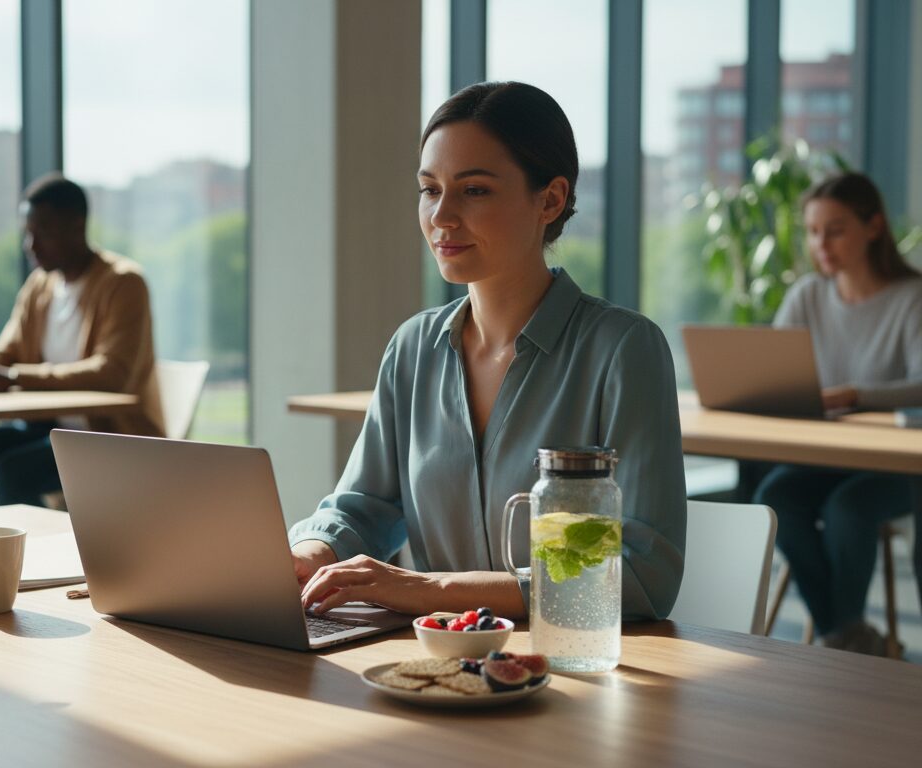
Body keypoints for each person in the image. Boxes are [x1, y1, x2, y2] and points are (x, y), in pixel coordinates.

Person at [292, 82, 687, 621]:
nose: (441, 216)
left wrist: (430, 590)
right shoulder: (412, 348)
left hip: (569, 659)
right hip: (433, 657)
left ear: (550, 200)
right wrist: (313, 553)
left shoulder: (623, 350)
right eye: (430, 189)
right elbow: (366, 505)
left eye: (474, 190)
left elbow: (640, 575)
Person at [752, 172, 922, 655]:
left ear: (874, 227)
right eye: (812, 232)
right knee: (775, 497)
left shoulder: (912, 297)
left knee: (848, 509)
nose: (820, 245)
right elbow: (774, 369)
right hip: (827, 457)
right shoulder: (807, 294)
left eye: (835, 230)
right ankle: (848, 635)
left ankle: (842, 636)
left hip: (897, 464)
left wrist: (855, 395)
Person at [0, 173, 164, 509]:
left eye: (42, 232)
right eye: (27, 233)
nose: (30, 246)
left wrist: (14, 377)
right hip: (49, 428)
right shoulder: (40, 286)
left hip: (110, 438)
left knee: (13, 473)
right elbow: (7, 351)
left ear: (77, 226)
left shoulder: (123, 283)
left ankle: (26, 543)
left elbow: (112, 373)